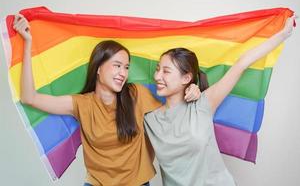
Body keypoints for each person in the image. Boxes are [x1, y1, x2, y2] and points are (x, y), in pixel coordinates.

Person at [13, 14, 201, 186]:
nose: (123, 73)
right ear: (98, 68)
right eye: (117, 66)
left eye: (126, 67)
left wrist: (191, 89)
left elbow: (173, 115)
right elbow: (29, 97)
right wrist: (28, 42)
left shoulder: (136, 94)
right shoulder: (82, 104)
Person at [144, 16, 296, 186]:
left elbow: (242, 63)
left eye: (166, 71)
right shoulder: (149, 120)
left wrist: (283, 34)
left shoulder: (203, 104)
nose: (157, 76)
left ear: (186, 77)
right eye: (157, 69)